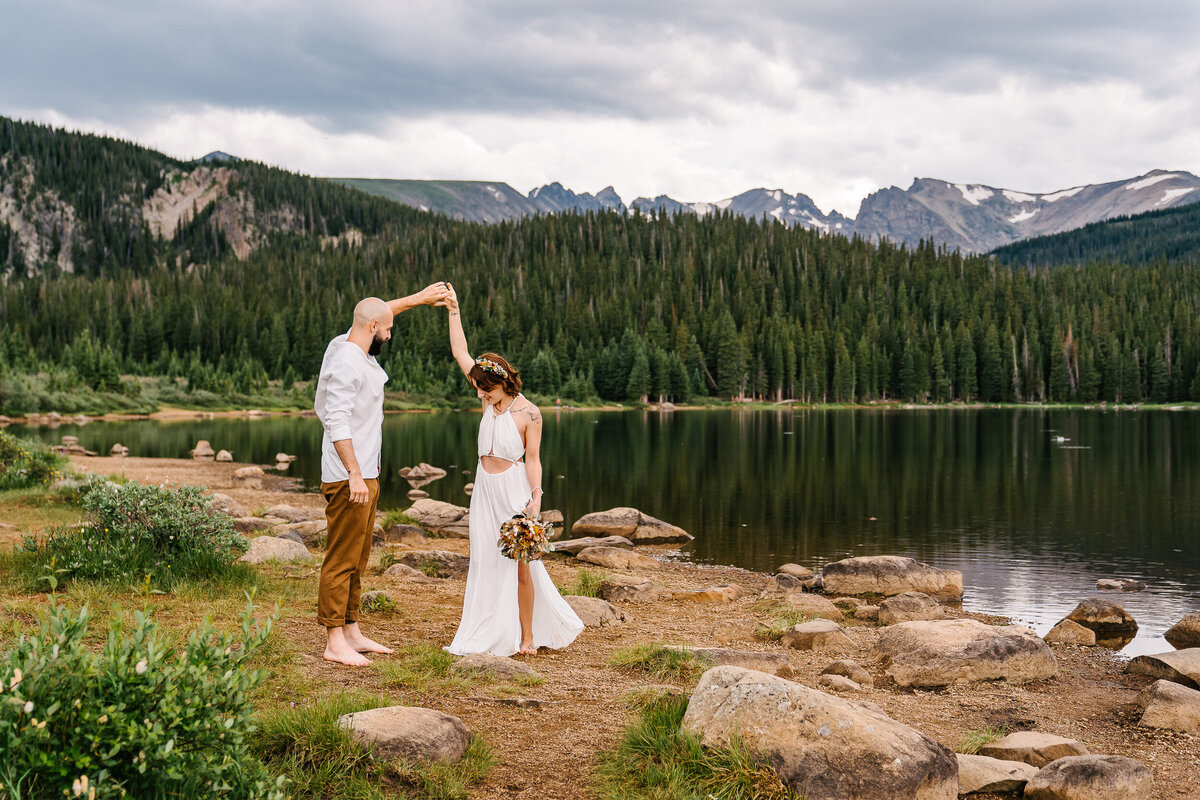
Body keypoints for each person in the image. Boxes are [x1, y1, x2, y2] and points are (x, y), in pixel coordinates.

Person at [443, 283, 583, 656]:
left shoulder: (529, 413)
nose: (480, 397)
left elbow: (533, 459)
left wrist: (535, 499)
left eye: (485, 392)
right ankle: (487, 629)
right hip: (484, 490)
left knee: (522, 565)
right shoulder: (488, 401)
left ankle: (526, 638)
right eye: (478, 391)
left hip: (513, 491)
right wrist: (453, 309)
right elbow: (460, 350)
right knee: (486, 561)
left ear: (502, 384)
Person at [314, 286, 448, 666]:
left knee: (358, 557)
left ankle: (351, 631)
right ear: (373, 327)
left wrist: (419, 299)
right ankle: (333, 640)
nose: (389, 335)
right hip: (347, 477)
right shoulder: (346, 361)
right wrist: (354, 474)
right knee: (341, 557)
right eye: (387, 330)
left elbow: (377, 309)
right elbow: (336, 419)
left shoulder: (350, 342)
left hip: (365, 473)